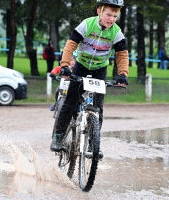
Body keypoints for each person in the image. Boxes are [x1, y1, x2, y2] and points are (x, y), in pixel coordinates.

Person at [50, 0, 129, 152]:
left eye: (114, 16)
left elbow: (122, 55)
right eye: (108, 15)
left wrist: (123, 74)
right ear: (99, 11)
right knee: (70, 103)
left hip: (100, 70)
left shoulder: (116, 32)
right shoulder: (87, 24)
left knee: (98, 108)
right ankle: (58, 136)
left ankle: (94, 144)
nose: (111, 19)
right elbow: (71, 44)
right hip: (80, 67)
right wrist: (65, 65)